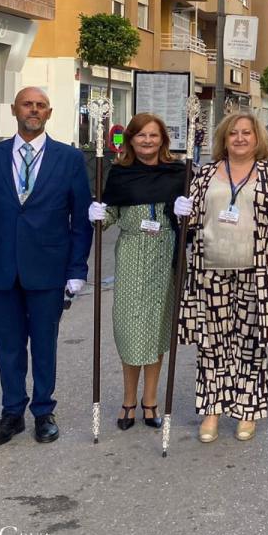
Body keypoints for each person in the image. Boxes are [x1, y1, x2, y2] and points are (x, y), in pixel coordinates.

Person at [0, 87, 92, 446]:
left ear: (49, 113)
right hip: (2, 266)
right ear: (15, 110)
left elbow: (80, 219)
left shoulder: (69, 159)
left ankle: (43, 410)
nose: (33, 110)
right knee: (8, 344)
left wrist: (77, 269)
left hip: (48, 266)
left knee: (44, 342)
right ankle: (12, 412)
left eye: (40, 106)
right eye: (27, 104)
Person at [171, 113, 268, 443]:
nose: (240, 138)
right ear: (224, 140)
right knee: (212, 346)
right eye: (233, 134)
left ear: (257, 139)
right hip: (209, 270)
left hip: (255, 272)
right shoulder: (206, 173)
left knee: (251, 347)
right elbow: (194, 218)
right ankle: (212, 411)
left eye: (246, 133)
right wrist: (183, 211)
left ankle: (246, 411)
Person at [87, 113, 187, 430]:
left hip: (165, 254)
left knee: (157, 331)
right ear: (130, 139)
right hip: (131, 254)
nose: (147, 141)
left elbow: (194, 216)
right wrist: (98, 215)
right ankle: (128, 400)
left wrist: (188, 211)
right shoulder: (120, 175)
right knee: (130, 331)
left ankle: (150, 401)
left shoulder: (179, 173)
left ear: (163, 140)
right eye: (141, 135)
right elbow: (110, 218)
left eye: (153, 136)